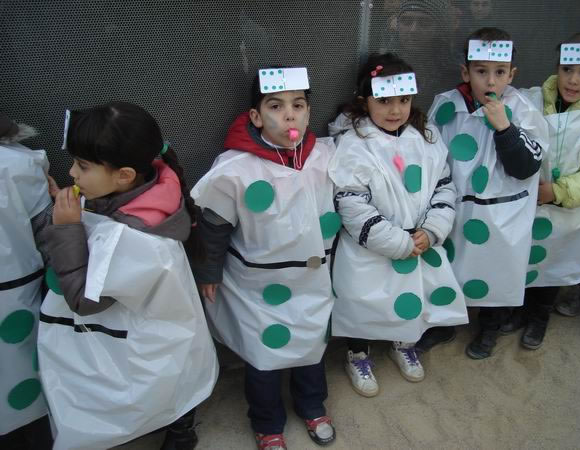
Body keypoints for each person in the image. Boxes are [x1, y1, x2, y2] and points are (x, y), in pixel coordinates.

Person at [36, 102, 219, 450]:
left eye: (82, 166)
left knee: (161, 384)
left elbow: (83, 299)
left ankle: (180, 431)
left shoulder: (135, 239)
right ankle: (181, 426)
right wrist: (68, 207)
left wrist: (66, 228)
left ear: (124, 175)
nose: (72, 173)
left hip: (147, 337)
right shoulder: (155, 188)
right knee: (177, 376)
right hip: (168, 327)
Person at [190, 68, 337, 450]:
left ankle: (312, 405)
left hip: (312, 279)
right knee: (263, 355)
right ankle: (267, 422)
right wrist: (209, 271)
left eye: (298, 105)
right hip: (257, 286)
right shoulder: (236, 169)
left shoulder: (324, 156)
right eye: (276, 106)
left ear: (309, 112)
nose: (289, 115)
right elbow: (215, 225)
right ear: (255, 116)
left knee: (311, 344)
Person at [328, 53, 468, 397]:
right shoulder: (353, 143)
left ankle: (404, 342)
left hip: (418, 240)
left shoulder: (426, 136)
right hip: (370, 246)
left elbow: (443, 185)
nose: (395, 110)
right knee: (363, 301)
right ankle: (358, 353)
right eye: (384, 101)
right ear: (365, 101)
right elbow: (350, 201)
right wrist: (394, 241)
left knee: (410, 297)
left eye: (403, 100)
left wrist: (432, 230)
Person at [428, 27, 549, 359]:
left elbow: (527, 166)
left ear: (512, 74)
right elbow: (431, 153)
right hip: (455, 205)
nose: (491, 82)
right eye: (481, 71)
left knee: (497, 269)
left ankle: (491, 325)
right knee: (450, 266)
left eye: (499, 72)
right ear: (466, 72)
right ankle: (444, 323)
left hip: (502, 212)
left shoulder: (522, 109)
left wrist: (505, 129)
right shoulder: (447, 105)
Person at [503, 33, 580, 348]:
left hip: (568, 208)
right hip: (528, 202)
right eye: (567, 69)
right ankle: (520, 310)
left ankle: (539, 317)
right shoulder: (532, 99)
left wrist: (558, 191)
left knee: (553, 262)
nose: (573, 80)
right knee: (525, 258)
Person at [0, 113, 53, 450]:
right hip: (19, 292)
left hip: (17, 291)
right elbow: (47, 234)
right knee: (29, 385)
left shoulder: (18, 164)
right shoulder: (19, 164)